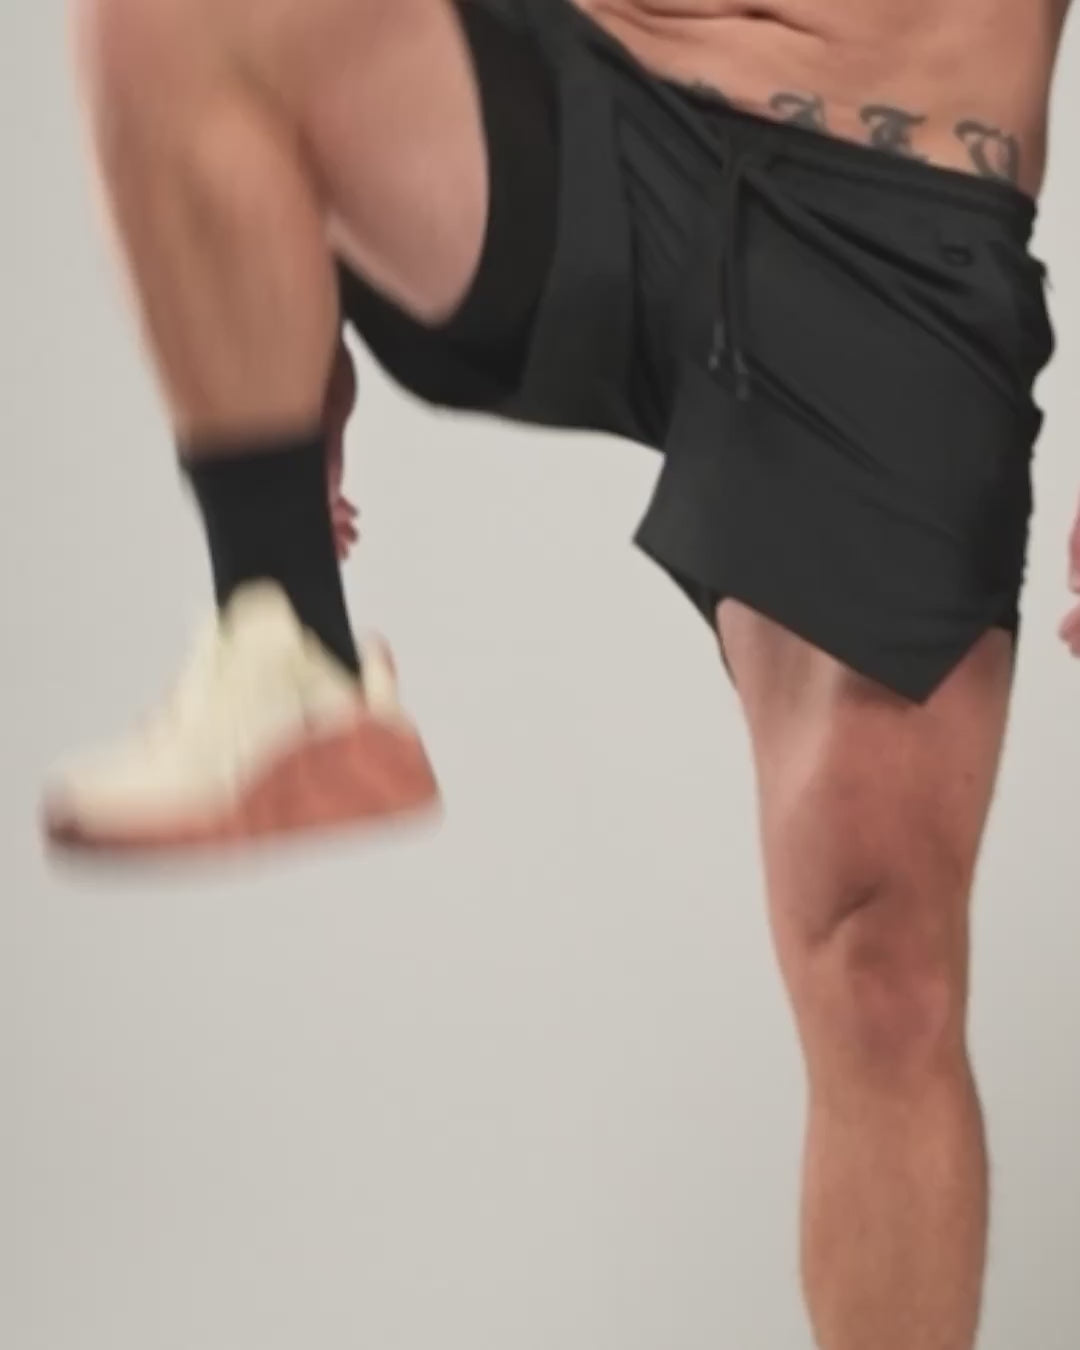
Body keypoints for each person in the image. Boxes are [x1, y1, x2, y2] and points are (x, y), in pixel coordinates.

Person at [42, 0, 1075, 1344]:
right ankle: (283, 634)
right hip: (583, 91)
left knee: (883, 961)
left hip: (899, 206)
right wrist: (271, 265)